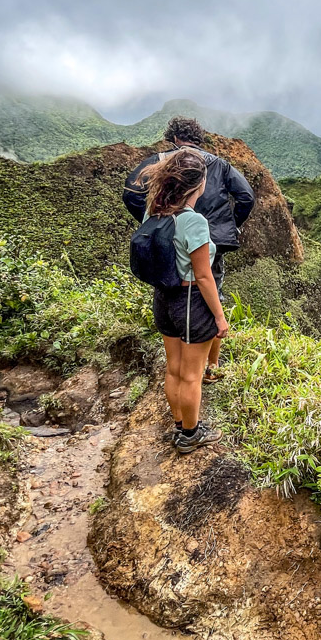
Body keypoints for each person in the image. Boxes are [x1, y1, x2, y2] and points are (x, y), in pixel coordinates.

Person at [124, 117, 255, 383]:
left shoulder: (160, 160)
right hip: (210, 242)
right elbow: (246, 197)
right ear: (198, 139)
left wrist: (154, 221)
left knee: (170, 287)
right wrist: (231, 227)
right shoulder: (217, 164)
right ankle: (210, 366)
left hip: (168, 241)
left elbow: (131, 192)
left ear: (172, 138)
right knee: (211, 294)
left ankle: (182, 364)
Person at [135, 148, 228, 454]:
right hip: (190, 301)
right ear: (198, 185)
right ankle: (190, 434)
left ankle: (179, 426)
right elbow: (204, 277)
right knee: (192, 375)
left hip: (163, 297)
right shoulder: (194, 222)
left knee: (174, 369)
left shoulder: (154, 211)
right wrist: (219, 317)